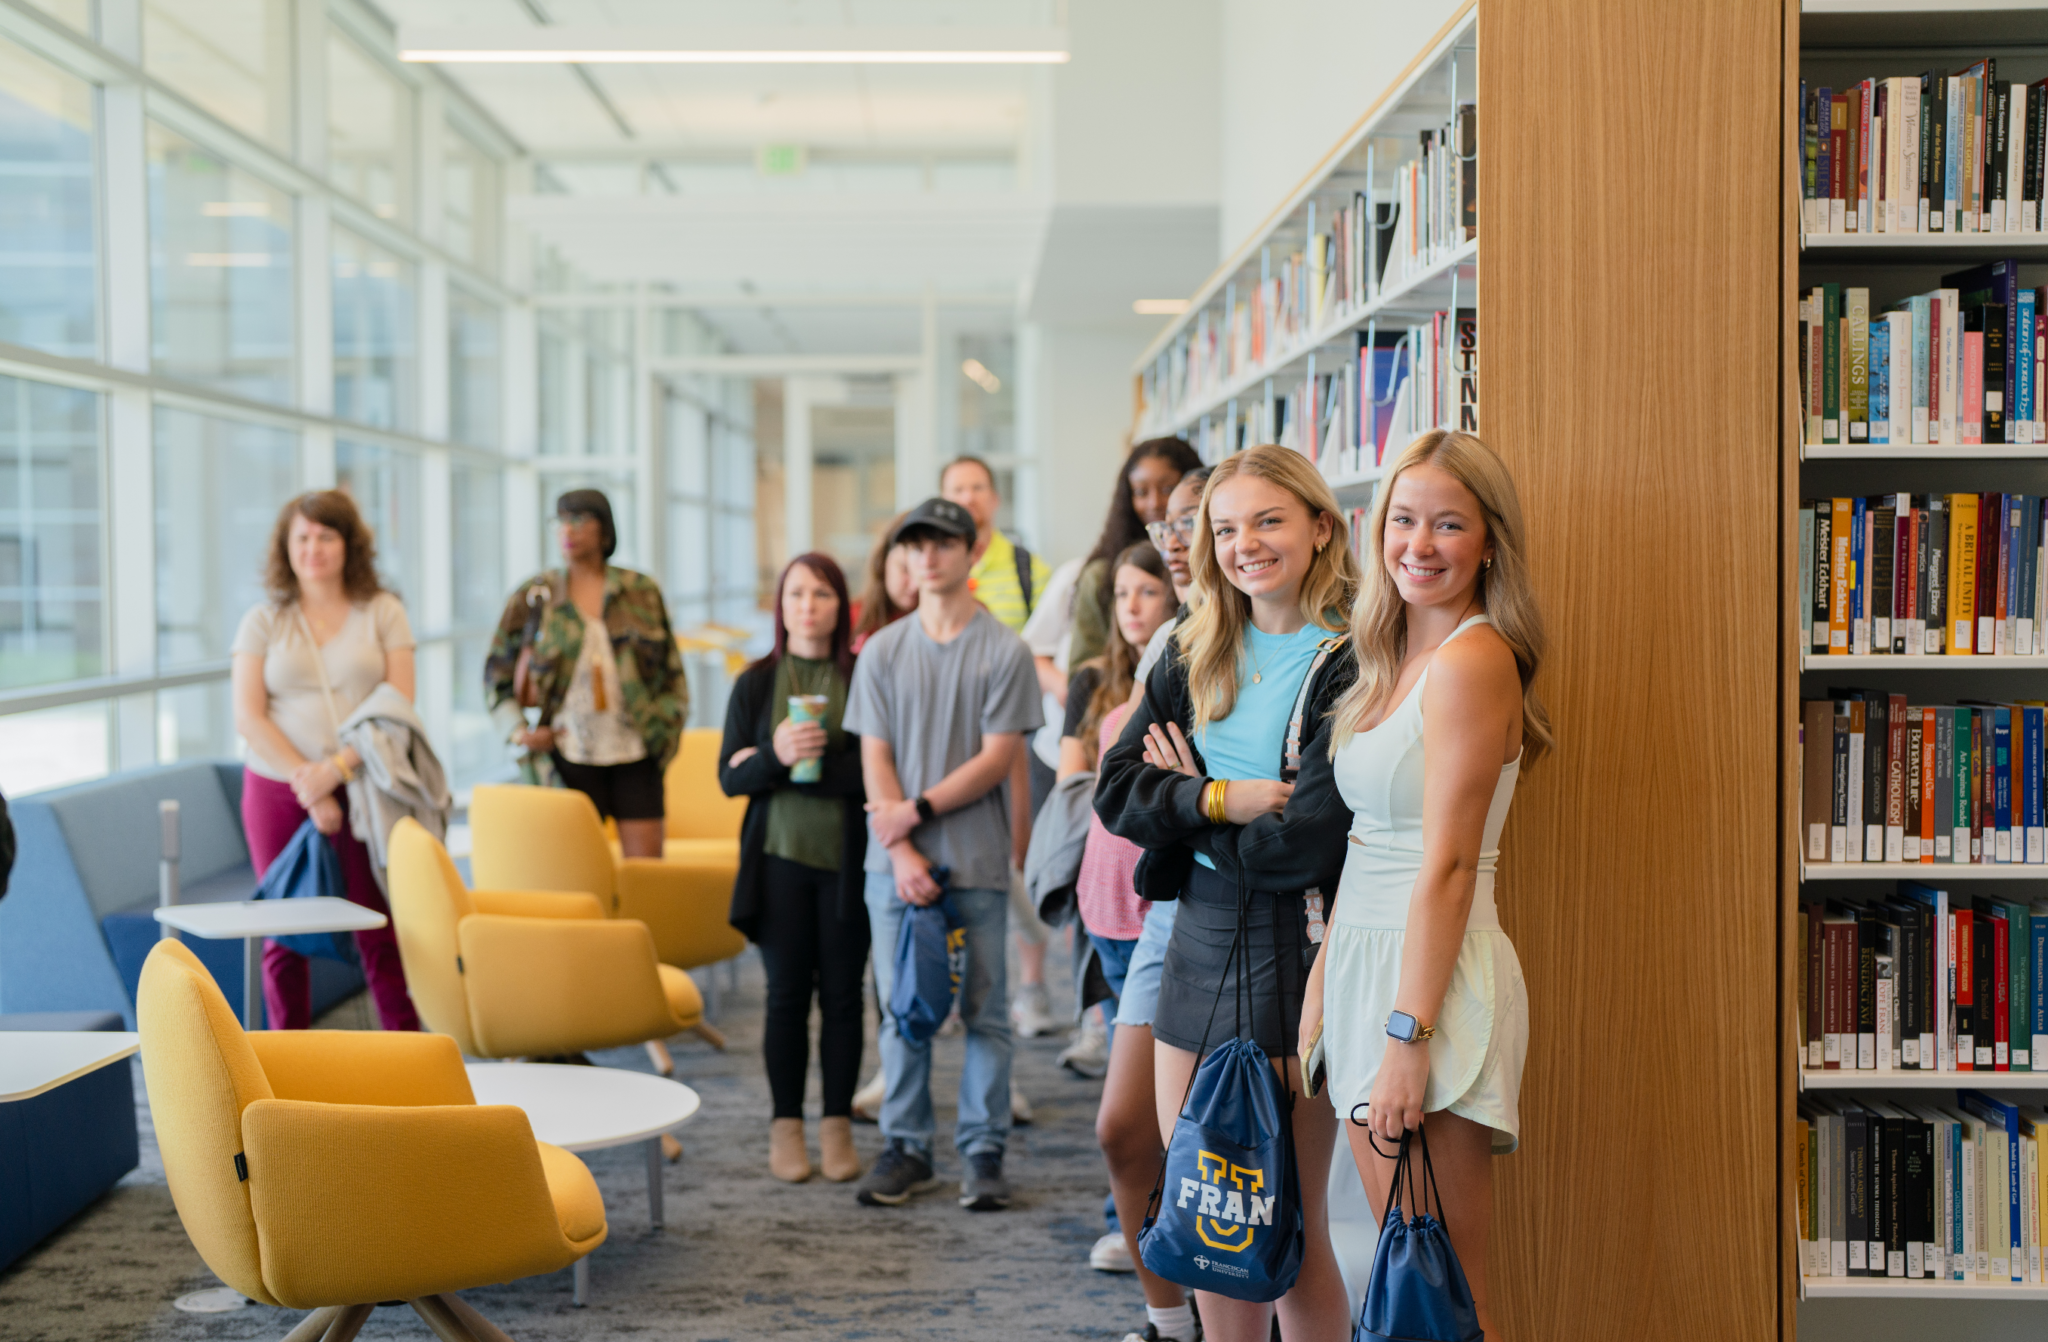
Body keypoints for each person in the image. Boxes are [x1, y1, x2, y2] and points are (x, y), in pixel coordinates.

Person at [1094, 444, 1361, 1342]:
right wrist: (1224, 798)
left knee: (1289, 1226)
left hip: (1296, 947)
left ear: (1321, 527)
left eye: (1269, 521)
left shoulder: (1352, 661)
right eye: (1226, 528)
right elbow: (1117, 790)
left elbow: (1306, 845)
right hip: (1198, 943)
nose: (1246, 544)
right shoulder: (1191, 643)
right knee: (1211, 1213)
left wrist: (1188, 814)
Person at [1305, 430, 1549, 1340]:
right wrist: (1328, 982)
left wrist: (1408, 1037)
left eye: (1449, 524)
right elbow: (1369, 843)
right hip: (1372, 970)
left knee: (1444, 1288)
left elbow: (1444, 866)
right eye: (1403, 520)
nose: (1419, 543)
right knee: (1397, 1270)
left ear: (1490, 541)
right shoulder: (1388, 660)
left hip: (1430, 987)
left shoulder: (1474, 661)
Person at [842, 497, 1043, 1211]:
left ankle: (983, 1150)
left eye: (942, 543)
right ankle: (906, 1147)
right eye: (915, 545)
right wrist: (900, 851)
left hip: (977, 859)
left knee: (986, 1011)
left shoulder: (1005, 651)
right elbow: (876, 755)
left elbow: (998, 760)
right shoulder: (884, 651)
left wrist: (916, 812)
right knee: (905, 1010)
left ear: (971, 548)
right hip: (893, 866)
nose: (927, 556)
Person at [1053, 542, 1192, 1337]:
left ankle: (1206, 1307)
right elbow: (1114, 788)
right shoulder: (1122, 673)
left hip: (1181, 904)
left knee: (1199, 1134)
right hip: (1119, 903)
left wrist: (1189, 793)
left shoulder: (1189, 649)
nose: (1137, 602)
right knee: (1126, 1123)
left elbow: (1167, 790)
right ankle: (1170, 1318)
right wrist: (1169, 789)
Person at [231, 490, 420, 1032]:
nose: (313, 548)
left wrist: (335, 771)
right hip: (277, 789)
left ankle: (410, 1063)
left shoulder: (383, 611)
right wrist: (309, 785)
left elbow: (398, 706)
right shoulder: (264, 620)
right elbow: (249, 717)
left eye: (326, 536)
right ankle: (285, 1065)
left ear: (348, 544)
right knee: (284, 933)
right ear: (286, 547)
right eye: (303, 537)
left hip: (364, 783)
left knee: (377, 927)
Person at [720, 553, 871, 1186]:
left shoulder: (864, 676)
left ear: (841, 605)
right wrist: (776, 756)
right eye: (796, 595)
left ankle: (835, 1122)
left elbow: (875, 774)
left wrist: (811, 764)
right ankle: (787, 1125)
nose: (807, 605)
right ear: (781, 607)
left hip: (847, 867)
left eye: (821, 594)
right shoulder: (755, 683)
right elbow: (730, 777)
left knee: (842, 998)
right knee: (785, 998)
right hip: (776, 862)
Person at [484, 489, 687, 859]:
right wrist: (518, 731)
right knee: (576, 874)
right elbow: (495, 677)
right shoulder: (536, 596)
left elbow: (673, 674)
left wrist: (666, 727)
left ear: (605, 529)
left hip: (636, 752)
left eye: (579, 520)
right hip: (565, 757)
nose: (567, 530)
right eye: (560, 521)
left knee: (646, 877)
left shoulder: (640, 591)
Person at [938, 455, 1060, 1040]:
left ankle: (1032, 987)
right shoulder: (935, 565)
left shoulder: (1024, 567)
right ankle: (962, 985)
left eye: (978, 487)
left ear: (994, 498)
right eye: (957, 488)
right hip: (952, 737)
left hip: (1021, 735)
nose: (969, 497)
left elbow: (1046, 646)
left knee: (1022, 857)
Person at [1067, 437, 1204, 671]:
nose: (1154, 503)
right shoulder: (1101, 575)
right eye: (1141, 492)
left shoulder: (1211, 564)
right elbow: (1083, 671)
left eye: (1168, 489)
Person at [853, 515, 918, 653]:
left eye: (924, 572)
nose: (915, 585)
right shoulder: (853, 619)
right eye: (905, 569)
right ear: (882, 563)